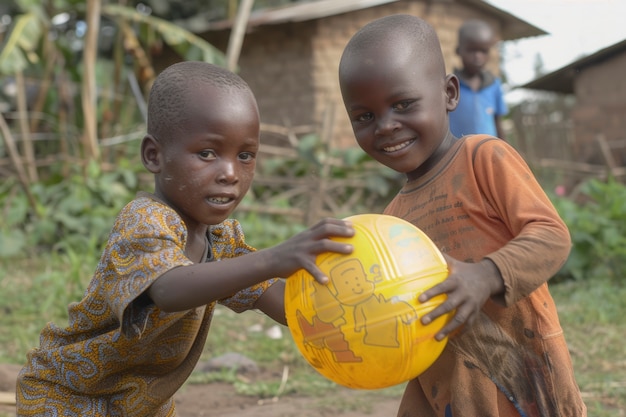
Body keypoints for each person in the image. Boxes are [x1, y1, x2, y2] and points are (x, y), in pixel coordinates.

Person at [16, 61, 355, 416]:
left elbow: (290, 308)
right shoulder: (145, 221)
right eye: (207, 153)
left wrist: (355, 298)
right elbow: (168, 289)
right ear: (154, 155)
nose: (229, 173)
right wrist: (272, 259)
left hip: (141, 405)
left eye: (245, 156)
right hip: (68, 396)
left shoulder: (223, 242)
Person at [338, 14, 586, 417]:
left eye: (403, 104)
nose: (385, 126)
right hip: (448, 386)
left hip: (526, 381)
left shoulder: (484, 159)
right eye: (364, 116)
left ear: (449, 93)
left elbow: (552, 236)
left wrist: (485, 275)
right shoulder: (391, 220)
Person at [449, 19, 508, 140]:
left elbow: (498, 122)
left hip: (488, 152)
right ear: (458, 51)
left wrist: (503, 150)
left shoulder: (494, 85)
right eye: (471, 50)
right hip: (457, 152)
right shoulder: (450, 86)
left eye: (483, 51)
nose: (478, 56)